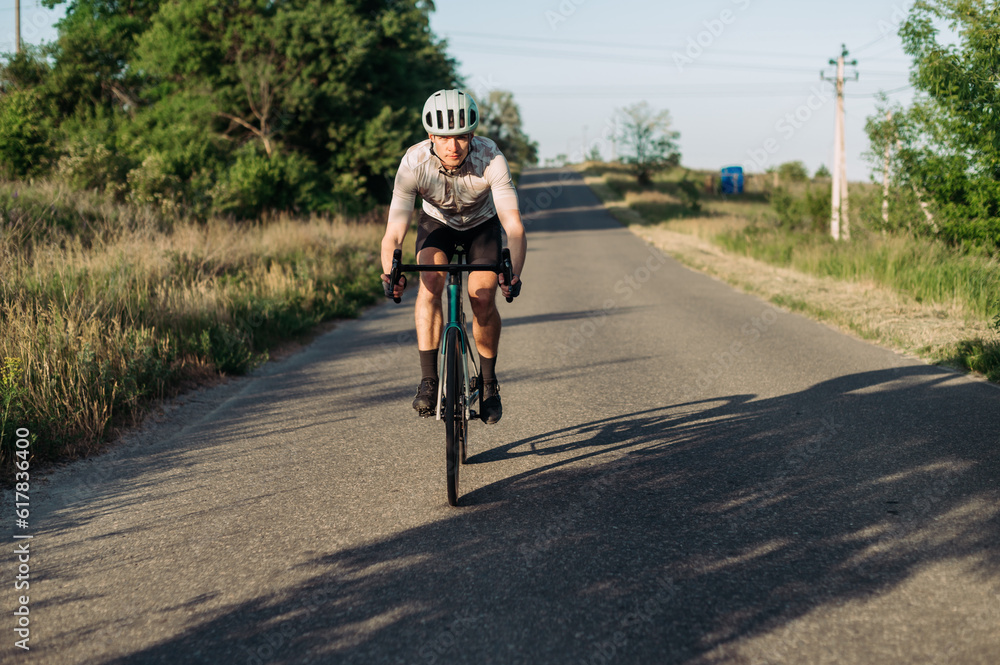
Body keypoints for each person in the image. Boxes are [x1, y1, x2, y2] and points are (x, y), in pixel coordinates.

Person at [380, 89, 526, 424]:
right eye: (444, 138)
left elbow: (514, 226)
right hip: (438, 224)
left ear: (472, 135)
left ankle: (488, 383)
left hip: (481, 226)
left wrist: (513, 273)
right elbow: (394, 231)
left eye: (461, 138)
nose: (453, 147)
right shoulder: (413, 163)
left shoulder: (491, 158)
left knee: (483, 296)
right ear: (430, 135)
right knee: (430, 281)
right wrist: (391, 273)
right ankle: (429, 380)